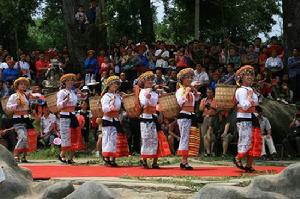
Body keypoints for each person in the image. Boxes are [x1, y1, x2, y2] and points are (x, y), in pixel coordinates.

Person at [233, 65, 261, 172]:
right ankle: (237, 158)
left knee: (254, 141)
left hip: (252, 117)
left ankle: (249, 165)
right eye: (247, 75)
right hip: (244, 118)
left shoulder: (250, 90)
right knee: (246, 140)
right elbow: (244, 106)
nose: (250, 77)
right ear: (241, 78)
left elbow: (255, 103)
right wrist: (249, 98)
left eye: (251, 75)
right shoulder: (241, 90)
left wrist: (250, 99)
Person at [57, 73, 85, 164]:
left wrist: (82, 96)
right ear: (64, 82)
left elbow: (77, 102)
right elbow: (58, 105)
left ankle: (70, 157)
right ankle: (62, 155)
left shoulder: (73, 92)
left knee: (75, 135)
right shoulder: (61, 92)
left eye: (71, 80)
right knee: (66, 136)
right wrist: (65, 101)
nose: (70, 82)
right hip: (65, 115)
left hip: (72, 114)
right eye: (68, 80)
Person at [6, 77, 36, 162]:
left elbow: (28, 107)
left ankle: (23, 156)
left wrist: (31, 111)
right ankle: (15, 154)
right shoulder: (14, 96)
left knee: (28, 137)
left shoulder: (26, 95)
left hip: (26, 118)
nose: (23, 86)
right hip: (17, 119)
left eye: (25, 84)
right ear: (17, 86)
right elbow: (8, 108)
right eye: (21, 84)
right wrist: (16, 105)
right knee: (23, 136)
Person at [176, 68, 200, 170]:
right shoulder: (180, 90)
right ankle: (184, 161)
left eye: (191, 77)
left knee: (190, 138)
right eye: (187, 78)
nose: (190, 79)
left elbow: (197, 98)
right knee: (185, 138)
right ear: (182, 79)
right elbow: (180, 102)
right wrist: (186, 92)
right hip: (184, 115)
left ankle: (185, 160)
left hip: (191, 114)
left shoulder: (189, 90)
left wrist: (194, 90)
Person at [101, 75, 128, 166]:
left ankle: (113, 158)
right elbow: (104, 109)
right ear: (109, 85)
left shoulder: (117, 96)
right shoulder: (106, 96)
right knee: (108, 138)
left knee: (115, 139)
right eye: (114, 84)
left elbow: (120, 108)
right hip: (108, 119)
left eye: (117, 84)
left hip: (115, 119)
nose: (116, 85)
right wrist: (111, 105)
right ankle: (106, 157)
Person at [138, 71, 161, 169]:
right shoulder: (142, 92)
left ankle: (155, 161)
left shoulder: (155, 93)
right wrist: (147, 97)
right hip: (145, 116)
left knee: (156, 139)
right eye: (148, 80)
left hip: (154, 116)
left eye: (152, 80)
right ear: (144, 82)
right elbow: (143, 103)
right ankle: (144, 160)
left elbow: (156, 104)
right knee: (146, 138)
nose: (150, 81)